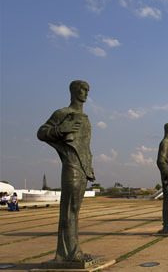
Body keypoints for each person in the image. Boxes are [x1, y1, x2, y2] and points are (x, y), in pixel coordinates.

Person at [37, 80, 96, 263]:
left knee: (74, 210)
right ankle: (67, 254)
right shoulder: (63, 113)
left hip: (82, 167)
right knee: (69, 210)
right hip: (71, 165)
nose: (85, 93)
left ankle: (73, 250)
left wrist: (88, 166)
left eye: (87, 90)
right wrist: (60, 129)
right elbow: (42, 132)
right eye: (82, 89)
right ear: (73, 91)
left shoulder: (85, 118)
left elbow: (84, 146)